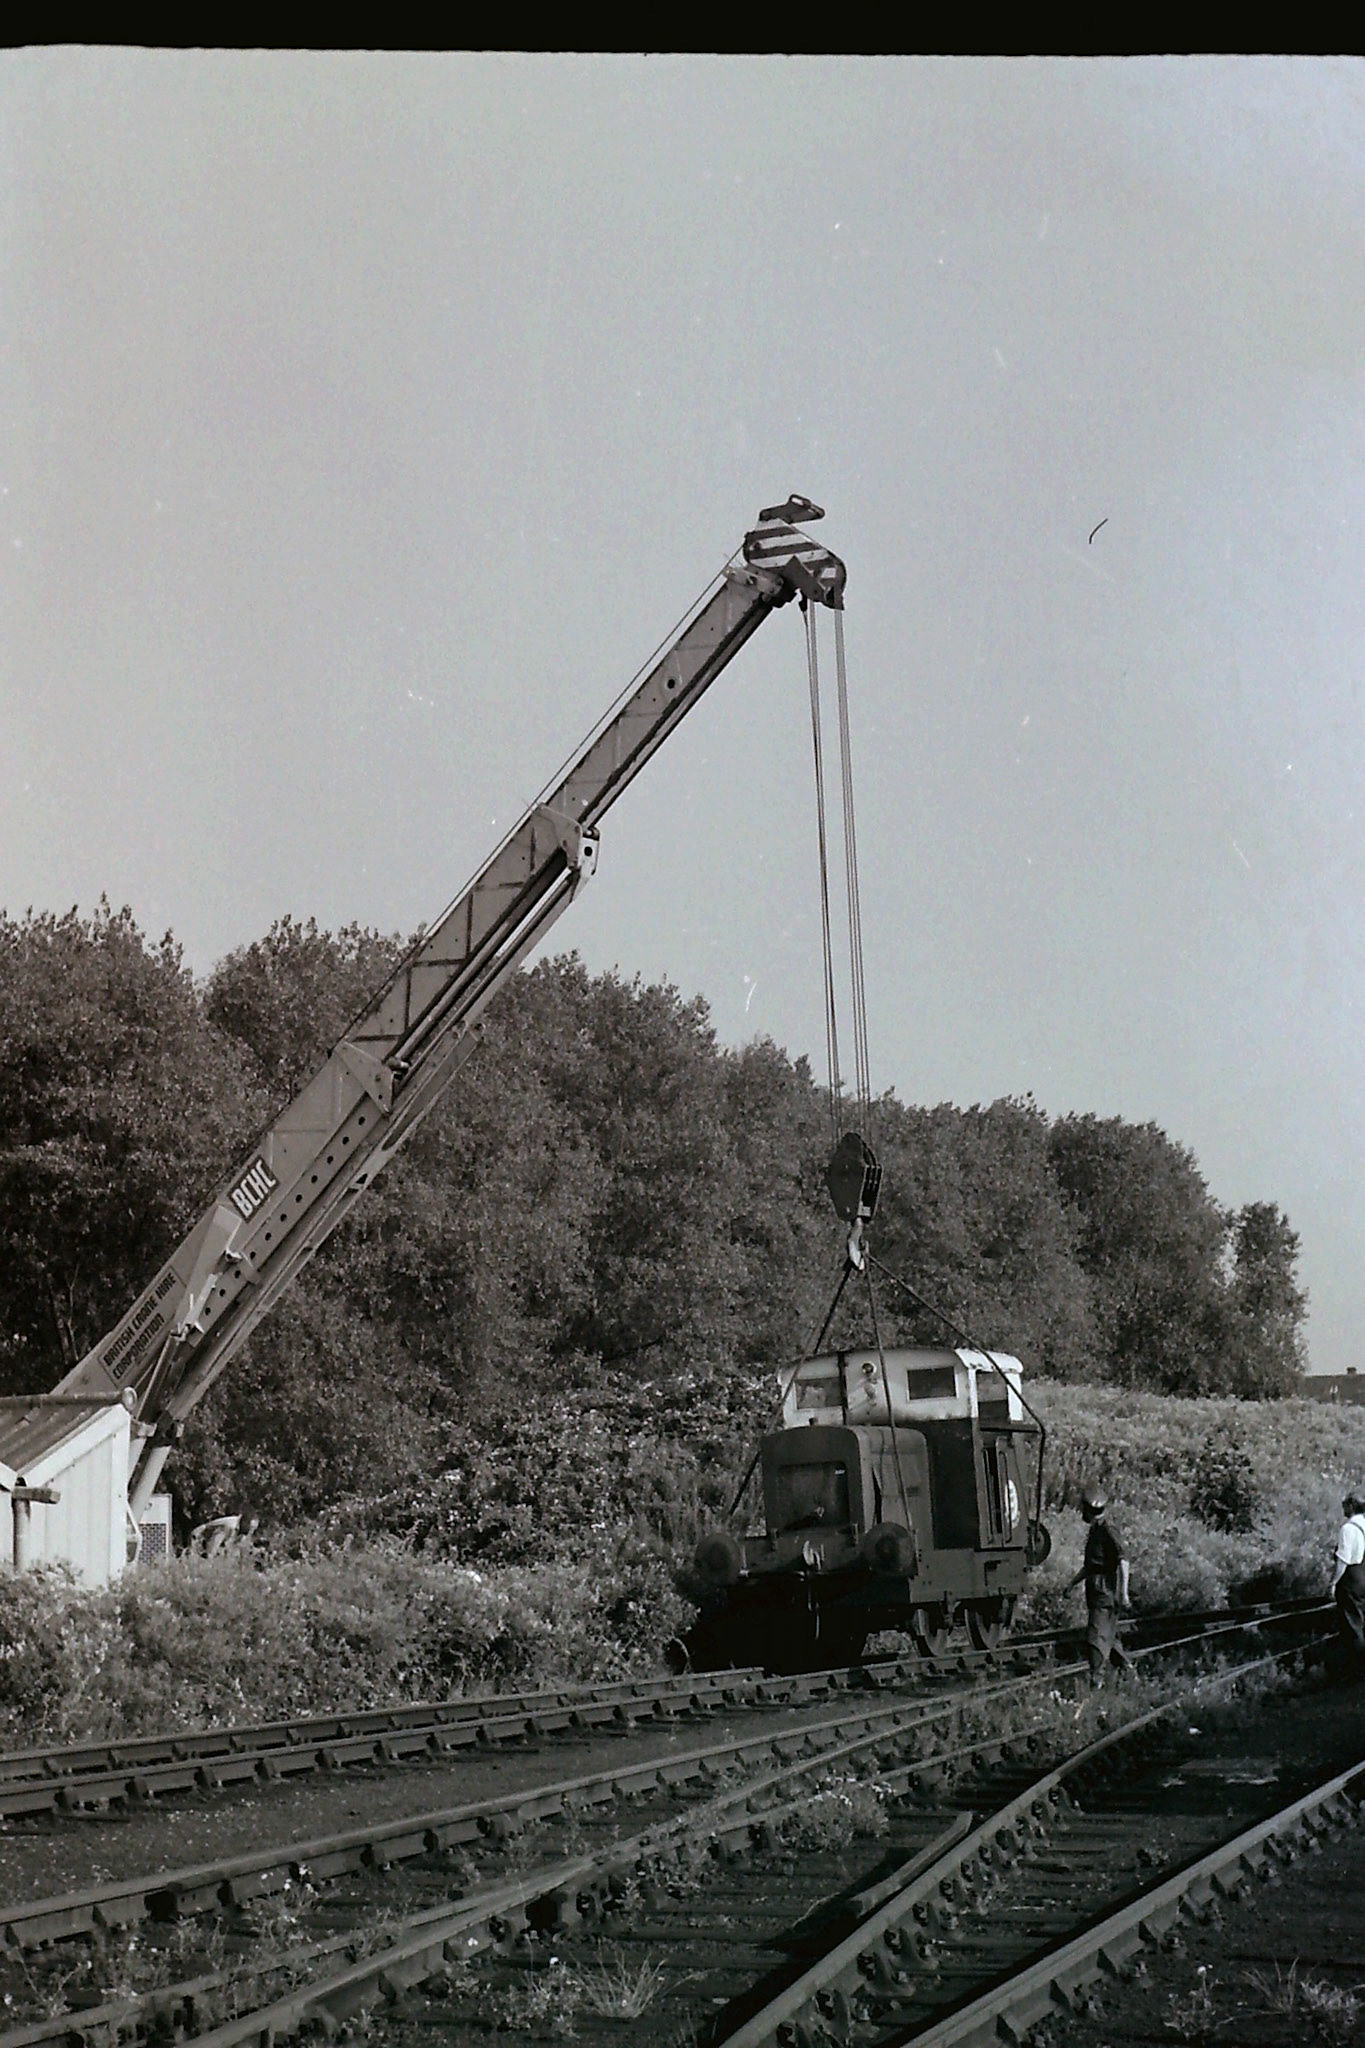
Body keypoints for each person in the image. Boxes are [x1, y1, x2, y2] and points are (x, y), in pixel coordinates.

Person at [1065, 1484, 1131, 1682]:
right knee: (1108, 1635)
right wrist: (1072, 1584)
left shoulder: (1108, 1530)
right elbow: (1090, 1566)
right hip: (1096, 1588)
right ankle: (1129, 1673)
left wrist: (1124, 1592)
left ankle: (1097, 1681)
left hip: (1105, 1589)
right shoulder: (1096, 1530)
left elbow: (1123, 1559)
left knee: (1096, 1636)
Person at [1330, 1490, 1365, 1675]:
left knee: (1353, 1625)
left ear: (1351, 1505)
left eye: (1345, 1504)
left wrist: (1333, 1582)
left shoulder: (1348, 1529)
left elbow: (1343, 1560)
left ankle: (1357, 1669)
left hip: (1352, 1579)